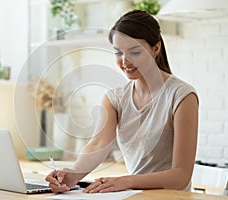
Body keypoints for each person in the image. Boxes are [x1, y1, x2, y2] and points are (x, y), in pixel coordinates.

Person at [45, 9, 199, 193]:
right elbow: (98, 144)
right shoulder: (115, 98)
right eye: (118, 53)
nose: (125, 61)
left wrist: (126, 181)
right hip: (135, 195)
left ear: (155, 48)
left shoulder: (182, 96)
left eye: (135, 52)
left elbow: (180, 177)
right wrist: (74, 173)